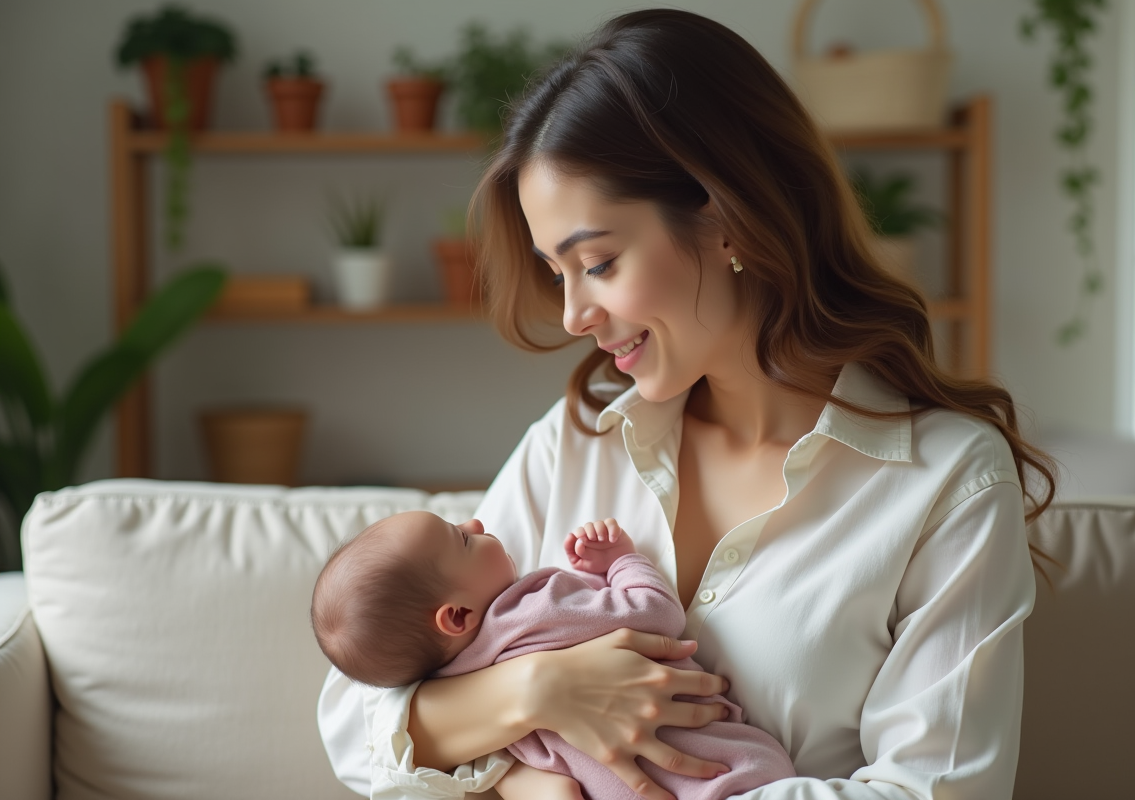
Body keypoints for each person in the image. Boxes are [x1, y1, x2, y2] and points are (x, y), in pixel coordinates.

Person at [318, 9, 1056, 800]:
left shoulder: (945, 481)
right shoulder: (575, 444)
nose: (572, 315)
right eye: (556, 272)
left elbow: (936, 790)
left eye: (597, 262)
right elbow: (358, 716)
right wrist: (537, 698)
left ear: (726, 219)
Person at [311, 512, 796, 799]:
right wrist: (623, 562)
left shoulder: (451, 682)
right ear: (455, 616)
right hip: (722, 774)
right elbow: (657, 614)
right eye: (461, 537)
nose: (476, 520)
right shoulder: (537, 606)